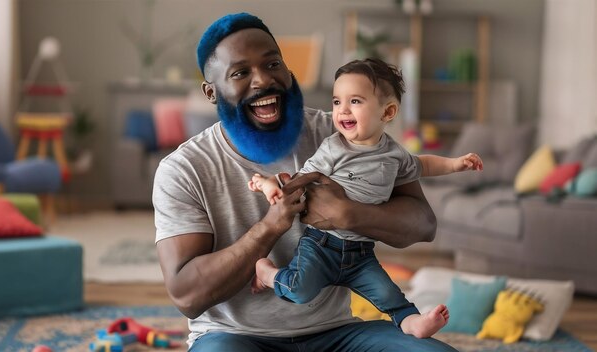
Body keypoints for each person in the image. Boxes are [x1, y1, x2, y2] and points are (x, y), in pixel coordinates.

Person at [153, 12, 459, 351]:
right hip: (235, 338)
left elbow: (423, 223)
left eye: (272, 65)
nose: (262, 81)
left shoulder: (344, 132)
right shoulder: (183, 169)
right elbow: (187, 295)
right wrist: (269, 228)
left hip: (338, 334)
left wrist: (350, 215)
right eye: (240, 73)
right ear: (212, 92)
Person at [247, 58, 483, 339]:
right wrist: (270, 183)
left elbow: (423, 165)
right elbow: (302, 177)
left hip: (361, 252)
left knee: (387, 292)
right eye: (337, 102)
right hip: (321, 245)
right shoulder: (334, 147)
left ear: (388, 111)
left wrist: (456, 164)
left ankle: (411, 322)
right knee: (299, 290)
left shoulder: (394, 154)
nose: (342, 110)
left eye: (355, 101)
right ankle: (267, 274)